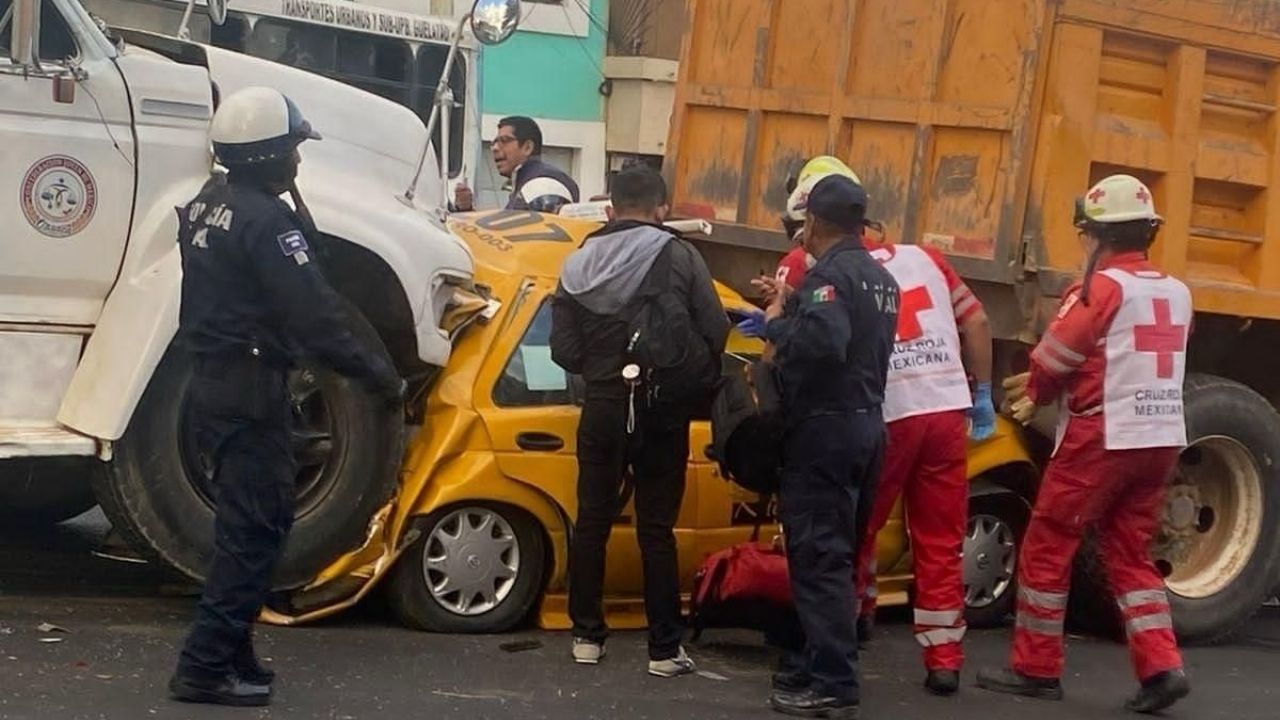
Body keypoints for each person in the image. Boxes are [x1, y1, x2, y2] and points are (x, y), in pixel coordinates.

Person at [169, 87, 403, 707]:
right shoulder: (268, 223)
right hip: (249, 390)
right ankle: (204, 665)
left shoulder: (207, 203)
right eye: (293, 150)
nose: (298, 161)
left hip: (213, 385)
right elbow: (317, 318)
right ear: (268, 155)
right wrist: (379, 374)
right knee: (258, 531)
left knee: (239, 526)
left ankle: (233, 650)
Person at [977, 174, 1191, 714]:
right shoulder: (1176, 290)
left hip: (1103, 436)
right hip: (1161, 437)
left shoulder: (1099, 289)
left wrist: (1038, 390)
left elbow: (1056, 355)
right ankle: (1162, 667)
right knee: (1129, 550)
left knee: (1050, 541)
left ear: (1096, 236)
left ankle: (1035, 668)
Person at [549, 166, 728, 677]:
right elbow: (715, 329)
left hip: (603, 407)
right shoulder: (680, 255)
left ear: (609, 209)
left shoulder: (578, 261)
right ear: (661, 208)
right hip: (661, 408)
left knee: (592, 521)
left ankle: (586, 636)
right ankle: (664, 650)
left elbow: (563, 349)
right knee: (656, 529)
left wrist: (601, 370)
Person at [756, 174, 899, 719]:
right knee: (839, 554)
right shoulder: (881, 278)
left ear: (813, 222)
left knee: (819, 558)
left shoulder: (831, 278)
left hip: (826, 431)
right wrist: (793, 305)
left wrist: (775, 325)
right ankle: (816, 661)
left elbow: (825, 342)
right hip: (867, 425)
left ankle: (833, 682)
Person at [453, 116, 580, 212]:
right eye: (494, 143)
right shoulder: (523, 182)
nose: (495, 148)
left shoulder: (545, 183)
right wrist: (466, 210)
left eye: (504, 141)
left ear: (527, 148)